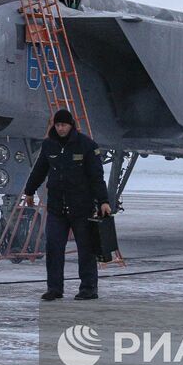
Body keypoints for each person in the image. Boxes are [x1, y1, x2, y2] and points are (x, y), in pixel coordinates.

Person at [21, 108, 112, 301]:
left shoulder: (87, 145)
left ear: (71, 125)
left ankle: (88, 288)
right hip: (56, 208)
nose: (60, 128)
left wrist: (103, 201)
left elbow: (97, 177)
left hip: (81, 207)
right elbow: (39, 171)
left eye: (64, 125)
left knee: (85, 250)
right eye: (58, 125)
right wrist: (29, 191)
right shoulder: (49, 146)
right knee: (53, 248)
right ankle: (54, 288)